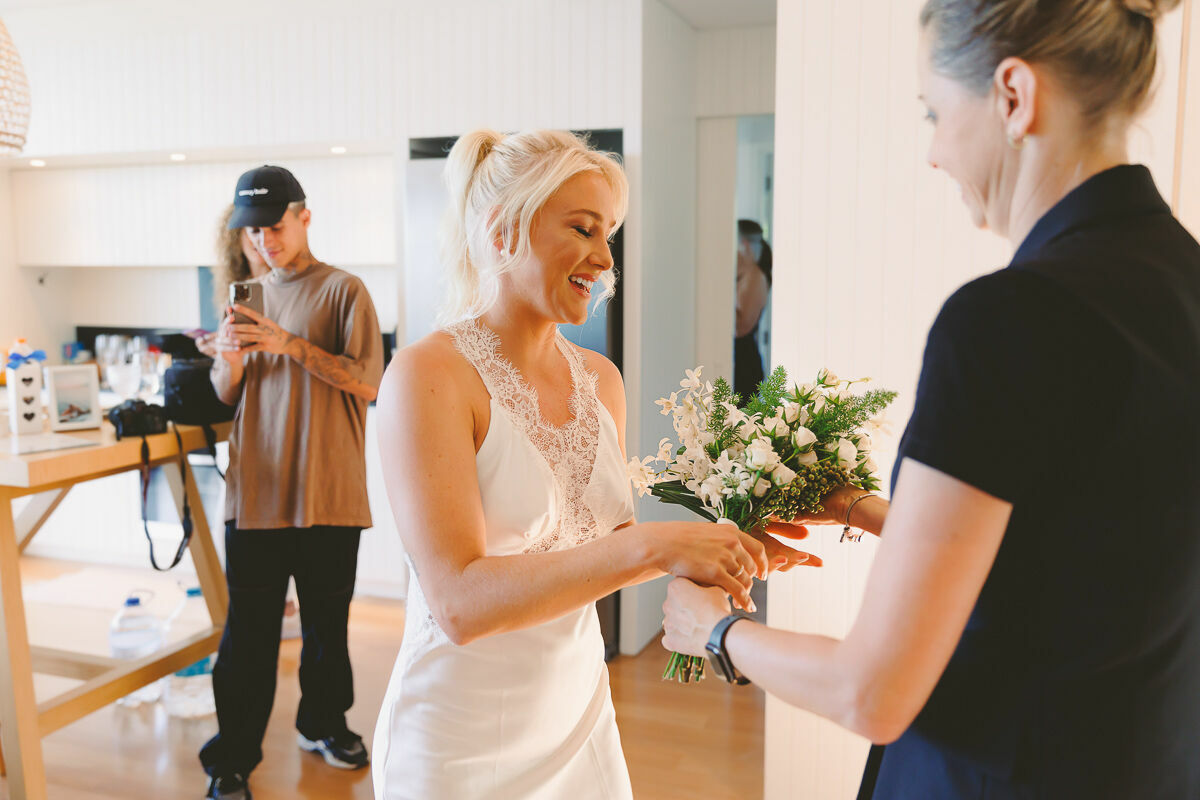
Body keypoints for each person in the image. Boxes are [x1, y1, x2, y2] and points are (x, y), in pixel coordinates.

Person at [662, 1, 1200, 798]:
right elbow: (1089, 541)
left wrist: (716, 629)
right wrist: (875, 513)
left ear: (1013, 96)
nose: (934, 153)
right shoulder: (1182, 282)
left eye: (935, 114)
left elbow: (870, 691)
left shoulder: (1008, 319)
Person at [371, 129, 812, 800]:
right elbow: (458, 604)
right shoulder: (427, 376)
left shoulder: (601, 381)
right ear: (504, 228)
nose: (605, 259)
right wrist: (656, 545)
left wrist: (720, 548)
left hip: (577, 718)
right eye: (583, 229)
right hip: (457, 740)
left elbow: (600, 554)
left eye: (609, 234)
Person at [202, 165, 384, 800]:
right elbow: (227, 394)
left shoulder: (344, 291)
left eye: (275, 227)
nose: (264, 242)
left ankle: (324, 724)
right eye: (253, 232)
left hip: (329, 491)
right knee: (247, 635)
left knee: (327, 627)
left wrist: (288, 343)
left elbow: (369, 382)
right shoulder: (245, 296)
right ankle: (232, 758)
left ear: (304, 217)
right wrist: (230, 358)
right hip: (256, 491)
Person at [195, 206, 271, 358]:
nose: (262, 240)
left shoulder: (289, 286)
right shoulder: (236, 288)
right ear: (236, 237)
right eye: (254, 231)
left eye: (272, 229)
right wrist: (221, 347)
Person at [733, 219, 772, 399]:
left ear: (744, 244)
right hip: (739, 361)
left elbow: (741, 327)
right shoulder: (743, 274)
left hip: (744, 367)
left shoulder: (755, 277)